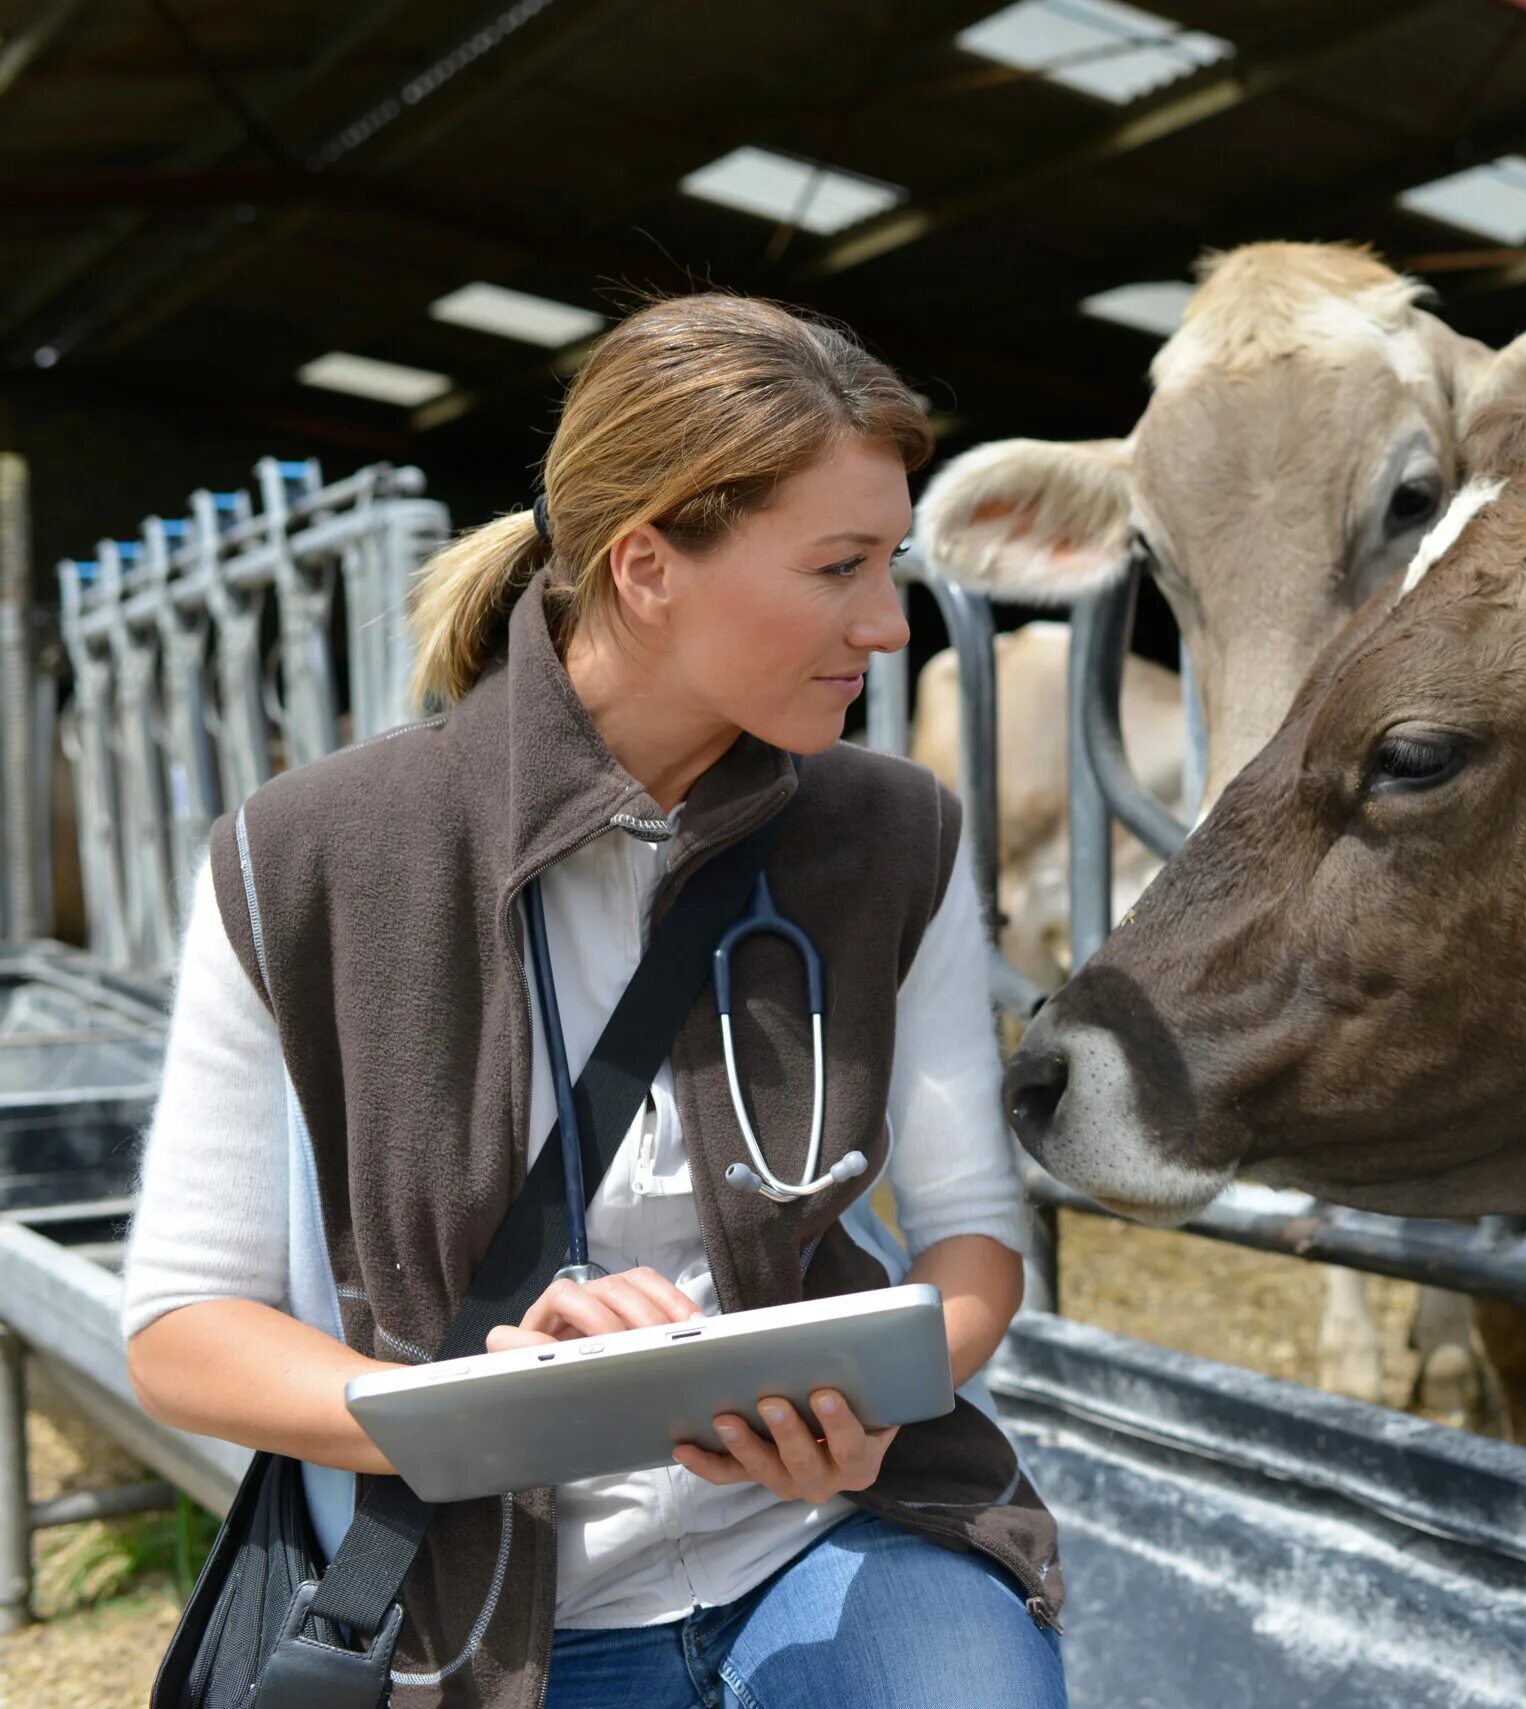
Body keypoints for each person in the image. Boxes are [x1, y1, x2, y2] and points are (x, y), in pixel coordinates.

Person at [121, 293, 1067, 1709]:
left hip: (823, 1534)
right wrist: (481, 1407)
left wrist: (882, 1403)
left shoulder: (892, 837)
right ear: (646, 568)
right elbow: (182, 1327)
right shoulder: (305, 856)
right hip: (475, 1594)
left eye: (894, 563)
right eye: (838, 566)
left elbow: (976, 1238)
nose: (887, 622)